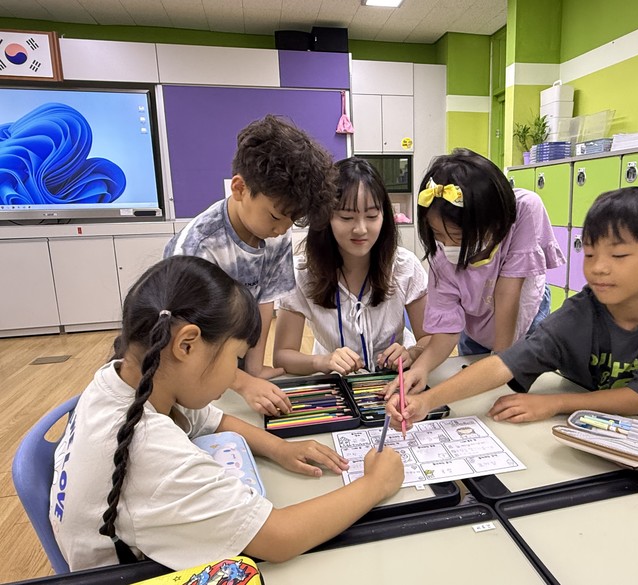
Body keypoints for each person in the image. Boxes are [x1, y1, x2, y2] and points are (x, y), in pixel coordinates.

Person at [49, 256, 403, 571]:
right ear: (186, 345)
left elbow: (212, 420)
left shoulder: (122, 377)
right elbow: (279, 538)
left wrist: (280, 448)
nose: (237, 373)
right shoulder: (151, 451)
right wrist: (375, 484)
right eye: (235, 358)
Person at [387, 187, 638, 435]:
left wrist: (555, 403)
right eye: (589, 254)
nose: (598, 268)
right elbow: (504, 363)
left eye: (618, 256)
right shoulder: (581, 312)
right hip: (599, 438)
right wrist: (427, 402)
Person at [164, 115, 336, 416]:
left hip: (231, 360)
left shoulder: (274, 233)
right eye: (275, 217)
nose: (282, 229)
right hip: (185, 366)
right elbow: (181, 340)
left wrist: (254, 369)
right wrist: (243, 383)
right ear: (240, 188)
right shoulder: (197, 248)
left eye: (292, 220)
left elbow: (264, 301)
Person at [384, 148, 565, 397]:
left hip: (524, 317)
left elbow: (508, 291)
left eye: (458, 237)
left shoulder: (523, 210)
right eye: (437, 234)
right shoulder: (440, 258)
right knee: (476, 396)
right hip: (476, 325)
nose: (447, 245)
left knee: (519, 394)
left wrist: (498, 362)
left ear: (495, 222)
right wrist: (420, 369)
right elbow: (447, 329)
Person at [273, 157, 429, 375]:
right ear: (325, 218)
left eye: (372, 216)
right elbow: (282, 355)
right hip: (335, 381)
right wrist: (322, 362)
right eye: (347, 217)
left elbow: (428, 338)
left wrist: (412, 353)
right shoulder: (301, 273)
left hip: (394, 381)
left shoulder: (405, 266)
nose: (361, 229)